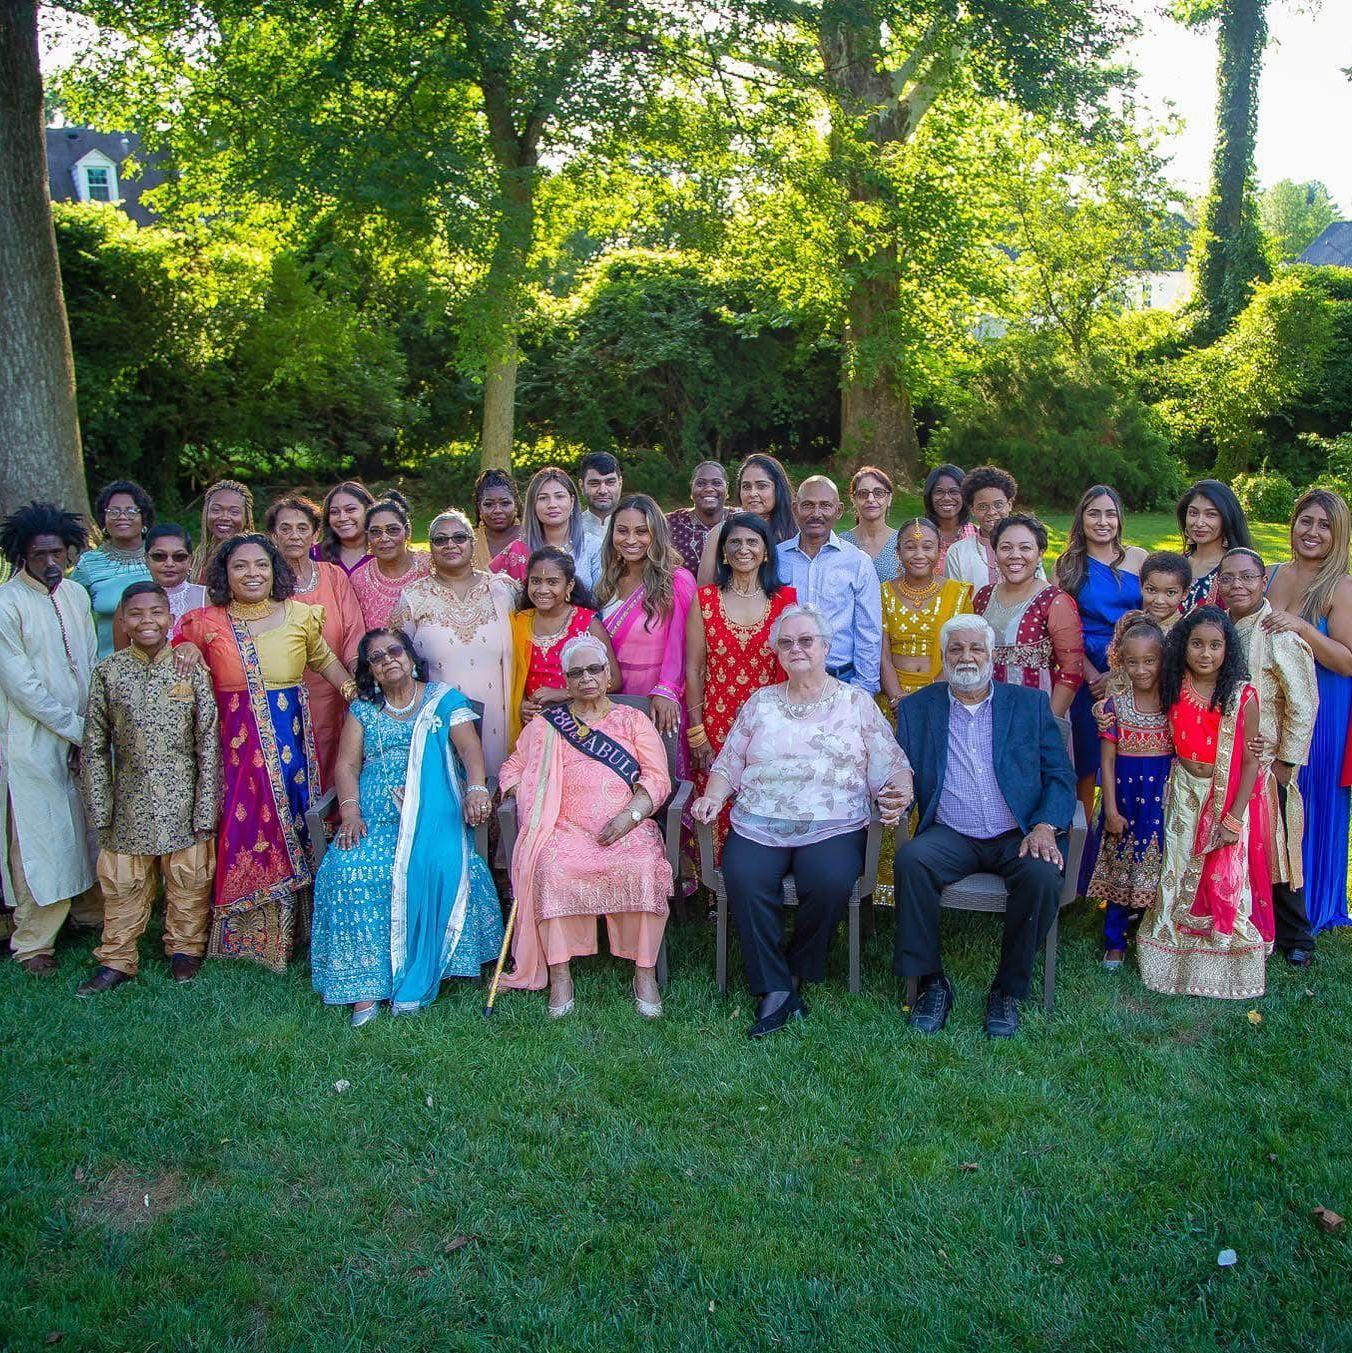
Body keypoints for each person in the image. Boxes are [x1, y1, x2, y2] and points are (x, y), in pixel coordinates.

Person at [692, 604, 912, 1037]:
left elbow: (893, 763)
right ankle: (778, 987)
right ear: (776, 652)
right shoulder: (761, 703)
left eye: (806, 640)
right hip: (760, 819)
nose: (796, 648)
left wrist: (899, 791)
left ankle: (794, 969)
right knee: (744, 875)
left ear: (826, 647)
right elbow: (728, 763)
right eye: (787, 643)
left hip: (833, 822)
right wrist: (713, 797)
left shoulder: (855, 702)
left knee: (829, 881)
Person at [174, 534, 354, 971]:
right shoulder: (205, 623)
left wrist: (356, 694)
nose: (252, 573)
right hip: (234, 750)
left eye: (261, 565)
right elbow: (181, 682)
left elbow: (325, 661)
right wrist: (181, 649)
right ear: (224, 574)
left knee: (294, 821)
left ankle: (299, 932)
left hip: (291, 746)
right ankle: (247, 938)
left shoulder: (300, 615)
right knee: (244, 826)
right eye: (240, 566)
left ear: (275, 571)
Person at [893, 615, 1076, 1039]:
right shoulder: (920, 708)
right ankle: (930, 983)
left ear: (992, 656)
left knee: (1042, 875)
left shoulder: (1028, 704)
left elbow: (1061, 776)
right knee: (911, 861)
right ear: (943, 657)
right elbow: (900, 768)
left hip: (1018, 832)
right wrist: (896, 792)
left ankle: (1007, 990)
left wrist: (1046, 825)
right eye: (956, 649)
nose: (966, 656)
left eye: (976, 648)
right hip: (952, 833)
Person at [311, 630, 501, 1024]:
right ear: (370, 672)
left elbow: (469, 751)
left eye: (394, 651)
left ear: (411, 657)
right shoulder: (364, 711)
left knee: (428, 865)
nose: (387, 660)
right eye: (376, 658)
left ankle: (418, 970)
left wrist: (478, 788)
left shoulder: (443, 700)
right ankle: (363, 982)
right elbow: (347, 765)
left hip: (433, 817)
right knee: (348, 870)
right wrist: (349, 812)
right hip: (373, 818)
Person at [498, 633, 673, 1018]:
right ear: (566, 682)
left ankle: (644, 974)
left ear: (608, 675)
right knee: (552, 867)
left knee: (642, 866)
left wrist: (629, 817)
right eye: (576, 673)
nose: (586, 678)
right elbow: (513, 768)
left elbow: (658, 779)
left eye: (594, 669)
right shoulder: (548, 725)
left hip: (626, 824)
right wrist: (528, 794)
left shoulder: (633, 720)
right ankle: (560, 976)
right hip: (565, 827)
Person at [76, 583, 221, 993]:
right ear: (122, 620)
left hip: (185, 795)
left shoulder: (190, 668)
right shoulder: (109, 672)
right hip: (130, 799)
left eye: (156, 613)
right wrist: (100, 809)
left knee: (190, 877)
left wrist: (206, 806)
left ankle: (185, 949)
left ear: (170, 619)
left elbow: (207, 742)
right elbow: (95, 745)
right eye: (136, 614)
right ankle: (118, 958)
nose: (146, 622)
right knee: (123, 882)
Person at [1136, 606, 1268, 999]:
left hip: (1224, 795)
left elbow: (1249, 760)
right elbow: (1133, 684)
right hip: (1183, 792)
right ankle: (1170, 947)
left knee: (1221, 877)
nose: (1205, 654)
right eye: (1197, 644)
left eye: (1215, 645)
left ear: (1228, 650)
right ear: (1184, 646)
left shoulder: (1241, 695)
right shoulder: (1173, 683)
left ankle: (1223, 949)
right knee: (1176, 868)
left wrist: (1233, 819)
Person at [0, 504, 102, 974]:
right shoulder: (7, 603)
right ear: (22, 555)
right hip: (30, 740)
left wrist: (91, 725)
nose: (50, 561)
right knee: (40, 836)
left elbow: (88, 660)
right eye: (39, 554)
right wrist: (76, 727)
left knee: (85, 826)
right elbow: (21, 687)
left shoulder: (76, 596)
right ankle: (32, 942)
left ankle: (85, 914)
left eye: (57, 552)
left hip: (80, 732)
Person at [1218, 547, 1318, 966]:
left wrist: (1285, 762)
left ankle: (1297, 936)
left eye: (1247, 577)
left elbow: (1303, 703)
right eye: (1228, 578)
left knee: (1277, 848)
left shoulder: (1279, 635)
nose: (1237, 585)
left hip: (1267, 761)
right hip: (1224, 759)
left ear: (1263, 583)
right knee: (1236, 846)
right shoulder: (1220, 628)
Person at [684, 513, 798, 862]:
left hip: (770, 724)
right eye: (735, 542)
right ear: (722, 553)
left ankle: (761, 875)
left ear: (766, 552)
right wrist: (697, 732)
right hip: (716, 724)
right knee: (716, 795)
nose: (743, 549)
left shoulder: (785, 600)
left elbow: (792, 666)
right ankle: (717, 888)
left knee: (764, 793)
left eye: (752, 542)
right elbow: (694, 667)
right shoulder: (704, 600)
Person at [1264, 488, 1352, 933]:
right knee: (1270, 802)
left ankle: (1313, 902)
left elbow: (1348, 660)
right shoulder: (1272, 572)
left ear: (1338, 535)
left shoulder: (1341, 587)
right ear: (1293, 523)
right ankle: (1270, 899)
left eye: (1324, 525)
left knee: (1309, 798)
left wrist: (1302, 628)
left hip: (1324, 709)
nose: (1312, 532)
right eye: (1306, 521)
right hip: (1272, 707)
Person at [391, 509, 518, 778]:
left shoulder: (502, 590)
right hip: (440, 716)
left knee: (499, 784)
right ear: (430, 547)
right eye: (440, 539)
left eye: (459, 537)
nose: (450, 544)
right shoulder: (414, 597)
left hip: (502, 714)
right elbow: (400, 665)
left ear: (473, 544)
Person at [1081, 613, 1171, 969]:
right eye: (1131, 662)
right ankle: (1114, 940)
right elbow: (1107, 762)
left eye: (1149, 661)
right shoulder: (1113, 707)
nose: (1141, 669)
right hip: (1124, 802)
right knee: (1120, 867)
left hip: (1162, 804)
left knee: (1161, 869)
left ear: (1163, 660)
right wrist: (1112, 811)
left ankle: (1154, 937)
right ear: (1119, 661)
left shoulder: (1172, 706)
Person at [1055, 485, 1146, 819]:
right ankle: (1083, 833)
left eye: (1110, 513)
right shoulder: (1068, 565)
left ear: (1120, 518)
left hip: (1134, 668)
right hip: (1084, 671)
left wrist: (1120, 672)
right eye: (1094, 513)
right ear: (1082, 518)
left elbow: (1151, 616)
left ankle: (1121, 823)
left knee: (1126, 750)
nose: (1102, 521)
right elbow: (1063, 627)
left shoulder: (1137, 558)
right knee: (1087, 756)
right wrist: (1092, 675)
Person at [267, 494, 365, 788]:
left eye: (301, 528)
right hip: (288, 687)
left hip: (338, 687)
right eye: (285, 528)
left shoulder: (333, 575)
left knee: (335, 749)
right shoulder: (267, 581)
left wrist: (355, 677)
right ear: (273, 535)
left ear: (315, 533)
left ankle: (332, 821)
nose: (294, 536)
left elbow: (353, 629)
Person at [596, 494, 697, 743]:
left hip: (657, 700)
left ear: (656, 534)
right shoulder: (608, 581)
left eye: (642, 531)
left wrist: (667, 690)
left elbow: (684, 644)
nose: (631, 540)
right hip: (611, 699)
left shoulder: (676, 580)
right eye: (622, 531)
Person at [775, 476, 882, 693]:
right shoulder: (776, 558)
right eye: (808, 505)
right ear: (795, 509)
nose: (816, 514)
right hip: (784, 683)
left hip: (842, 681)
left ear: (839, 510)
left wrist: (863, 691)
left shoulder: (858, 562)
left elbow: (868, 632)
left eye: (825, 505)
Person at [973, 514, 1083, 717]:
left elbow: (1071, 672)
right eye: (1006, 548)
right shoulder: (983, 597)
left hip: (1037, 713)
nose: (1015, 555)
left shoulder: (1055, 601)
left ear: (1040, 553)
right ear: (995, 552)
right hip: (988, 712)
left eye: (1025, 548)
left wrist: (1048, 726)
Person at [509, 546, 618, 730]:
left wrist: (565, 693)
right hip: (535, 726)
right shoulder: (517, 622)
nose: (542, 590)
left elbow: (613, 679)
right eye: (536, 581)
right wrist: (521, 705)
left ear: (569, 586)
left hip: (583, 722)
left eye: (552, 582)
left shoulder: (586, 623)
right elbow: (510, 677)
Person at [879, 518, 974, 709]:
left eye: (927, 547)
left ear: (939, 552)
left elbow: (960, 654)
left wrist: (926, 700)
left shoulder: (957, 594)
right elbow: (882, 656)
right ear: (898, 552)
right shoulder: (883, 592)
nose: (919, 554)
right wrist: (896, 698)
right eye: (910, 547)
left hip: (941, 696)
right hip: (893, 698)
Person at [70, 479, 154, 659]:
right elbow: (70, 616)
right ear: (103, 519)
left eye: (131, 511)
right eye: (113, 511)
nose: (122, 517)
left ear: (144, 518)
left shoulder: (162, 557)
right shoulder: (89, 564)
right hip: (108, 665)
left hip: (164, 664)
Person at [696, 453, 797, 584]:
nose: (752, 493)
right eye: (746, 487)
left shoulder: (796, 533)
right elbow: (704, 592)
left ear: (778, 489)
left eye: (761, 486)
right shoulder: (720, 532)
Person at [497, 467, 603, 591]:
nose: (552, 504)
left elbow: (603, 601)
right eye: (543, 498)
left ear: (572, 501)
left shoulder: (593, 547)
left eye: (559, 496)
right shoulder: (518, 550)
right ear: (533, 505)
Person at [944, 466, 1043, 588]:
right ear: (972, 510)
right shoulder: (958, 552)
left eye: (998, 505)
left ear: (1010, 505)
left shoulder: (1026, 547)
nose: (991, 512)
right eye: (983, 507)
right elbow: (954, 600)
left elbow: (1041, 590)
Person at [348, 492, 430, 630]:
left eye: (393, 530)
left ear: (407, 531)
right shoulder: (359, 579)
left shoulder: (430, 566)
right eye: (376, 532)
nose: (384, 538)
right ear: (367, 536)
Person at [1176, 479, 1253, 612]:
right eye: (1193, 513)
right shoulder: (1176, 564)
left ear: (1227, 519)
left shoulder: (1237, 569)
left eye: (1211, 514)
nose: (1199, 522)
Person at [666, 461, 730, 574]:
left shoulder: (740, 520)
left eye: (717, 483)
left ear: (727, 489)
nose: (709, 489)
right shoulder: (670, 523)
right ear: (691, 489)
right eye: (700, 484)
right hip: (683, 591)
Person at [842, 466, 900, 583]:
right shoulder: (841, 544)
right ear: (853, 499)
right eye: (863, 493)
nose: (870, 499)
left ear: (889, 498)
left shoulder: (903, 543)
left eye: (879, 493)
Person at [188, 479, 254, 583]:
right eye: (216, 510)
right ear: (206, 513)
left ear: (246, 517)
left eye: (234, 512)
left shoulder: (253, 555)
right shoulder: (200, 556)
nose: (224, 517)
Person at [143, 523, 206, 627]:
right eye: (159, 556)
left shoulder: (208, 598)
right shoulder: (133, 599)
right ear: (146, 560)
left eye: (179, 556)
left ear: (191, 560)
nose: (169, 564)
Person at [923, 464, 977, 576]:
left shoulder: (977, 535)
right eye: (939, 492)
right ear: (929, 496)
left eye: (954, 491)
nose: (947, 498)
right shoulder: (918, 534)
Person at [315, 481, 375, 575]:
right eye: (334, 512)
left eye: (350, 509)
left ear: (368, 510)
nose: (342, 518)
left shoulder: (384, 553)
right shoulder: (314, 555)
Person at [470, 468, 523, 572]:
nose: (497, 510)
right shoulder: (468, 543)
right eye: (489, 504)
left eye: (505, 503)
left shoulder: (530, 538)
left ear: (516, 505)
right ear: (480, 508)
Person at [1138, 550, 1191, 634]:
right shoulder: (1130, 623)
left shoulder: (1185, 633)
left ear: (1184, 593)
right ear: (1141, 586)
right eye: (1151, 590)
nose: (1159, 600)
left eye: (1170, 593)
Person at [578, 451, 623, 543]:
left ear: (620, 483)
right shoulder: (569, 528)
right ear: (581, 485)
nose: (603, 491)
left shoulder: (637, 526)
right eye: (594, 484)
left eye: (610, 483)